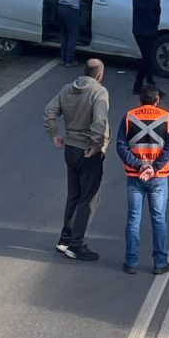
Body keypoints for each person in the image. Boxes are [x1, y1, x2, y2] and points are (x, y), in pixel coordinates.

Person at [43, 58, 111, 262]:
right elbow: (100, 120)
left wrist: (54, 134)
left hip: (70, 148)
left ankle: (65, 238)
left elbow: (49, 111)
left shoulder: (66, 89)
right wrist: (97, 144)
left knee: (74, 195)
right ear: (99, 74)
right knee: (88, 199)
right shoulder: (99, 92)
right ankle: (77, 244)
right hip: (88, 150)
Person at [116, 85, 169, 276]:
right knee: (158, 219)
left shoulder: (129, 116)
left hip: (135, 176)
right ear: (157, 99)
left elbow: (121, 146)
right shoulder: (166, 118)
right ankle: (160, 263)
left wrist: (138, 165)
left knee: (134, 219)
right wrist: (154, 167)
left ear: (140, 100)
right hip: (158, 177)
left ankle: (130, 261)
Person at [131, 0, 162, 94]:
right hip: (140, 32)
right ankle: (139, 84)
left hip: (150, 32)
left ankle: (150, 83)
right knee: (146, 58)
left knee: (147, 58)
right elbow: (148, 9)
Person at [58, 0, 90, 67]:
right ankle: (70, 60)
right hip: (71, 9)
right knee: (73, 34)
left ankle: (63, 58)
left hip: (61, 6)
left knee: (64, 34)